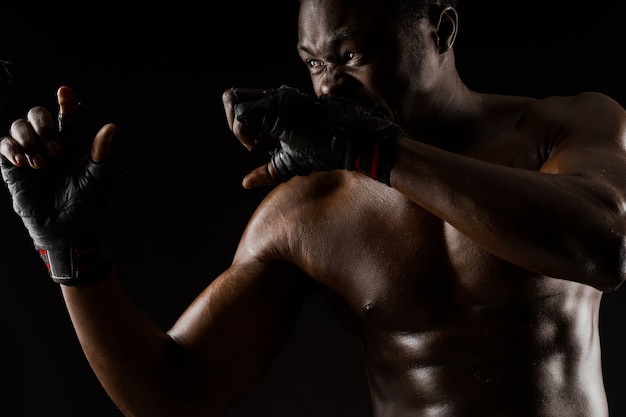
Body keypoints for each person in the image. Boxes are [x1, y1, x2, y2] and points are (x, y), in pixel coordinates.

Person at [2, 0, 626, 416]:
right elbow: (175, 393)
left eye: (352, 57)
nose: (329, 89)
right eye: (315, 66)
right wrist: (73, 256)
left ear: (441, 29)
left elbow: (604, 243)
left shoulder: (560, 129)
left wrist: (381, 154)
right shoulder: (312, 210)